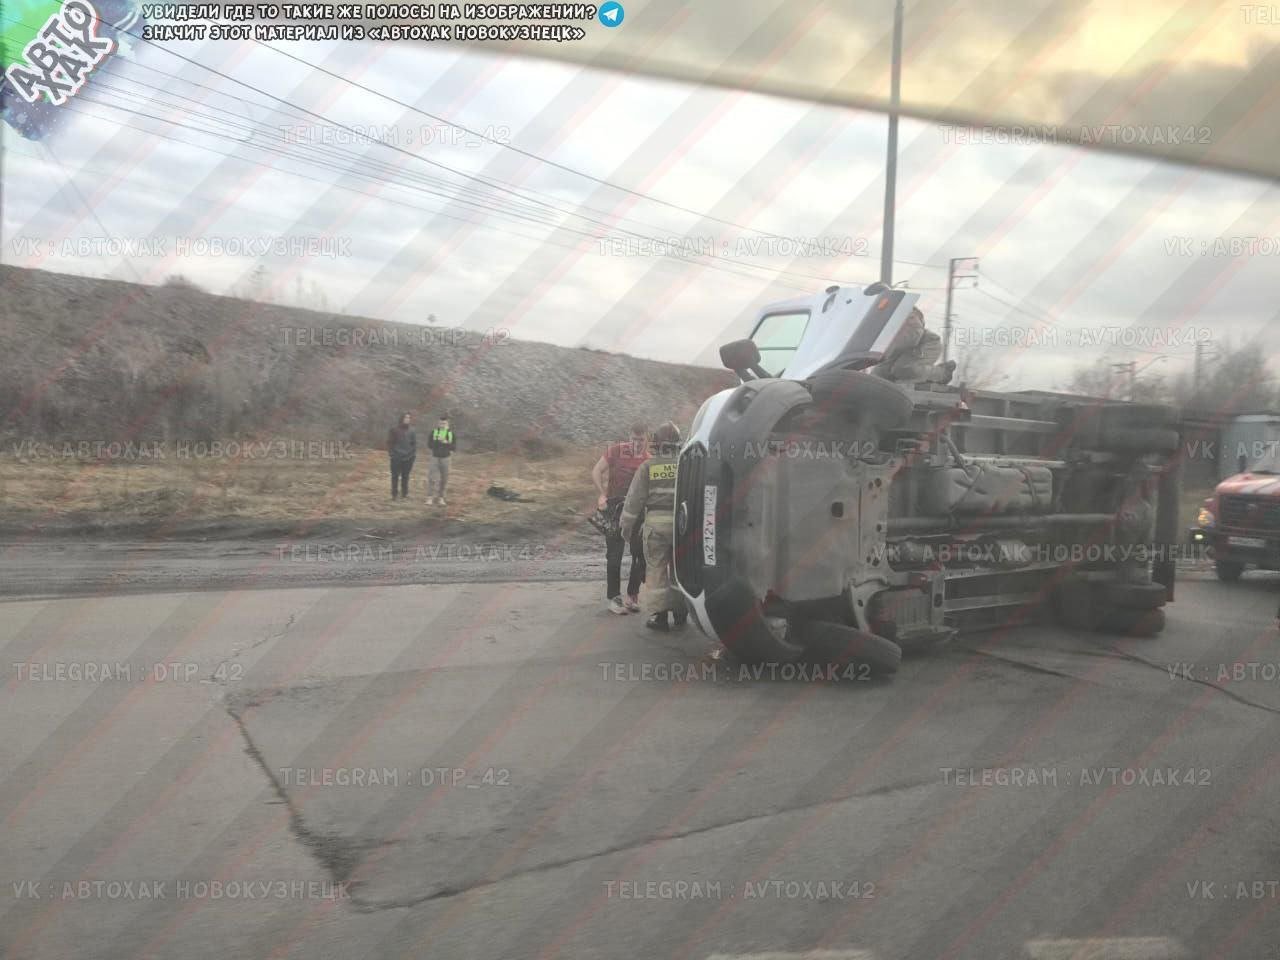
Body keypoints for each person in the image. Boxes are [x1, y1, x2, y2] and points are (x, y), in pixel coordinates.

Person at [621, 421, 688, 632]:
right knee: (680, 571)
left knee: (657, 571)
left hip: (656, 528)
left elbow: (634, 501)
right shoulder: (686, 465)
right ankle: (680, 613)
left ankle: (660, 617)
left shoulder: (648, 467)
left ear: (656, 444)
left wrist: (626, 527)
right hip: (682, 526)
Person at [592, 424, 649, 614]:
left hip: (637, 512)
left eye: (641, 440)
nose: (637, 443)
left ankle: (633, 596)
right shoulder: (616, 451)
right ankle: (614, 599)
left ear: (646, 439)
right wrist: (601, 495)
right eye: (634, 438)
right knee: (614, 556)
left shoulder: (648, 460)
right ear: (629, 437)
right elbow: (596, 471)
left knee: (639, 555)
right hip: (614, 510)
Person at [427, 413, 455, 505]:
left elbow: (453, 447)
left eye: (444, 423)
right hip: (434, 457)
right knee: (432, 477)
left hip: (446, 458)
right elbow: (429, 445)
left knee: (444, 478)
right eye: (441, 423)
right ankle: (430, 497)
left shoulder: (451, 433)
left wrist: (445, 442)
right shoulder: (434, 432)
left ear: (447, 424)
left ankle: (441, 497)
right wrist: (437, 441)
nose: (442, 425)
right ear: (438, 423)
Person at [387, 412, 416, 500]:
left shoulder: (412, 430)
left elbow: (414, 443)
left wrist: (412, 455)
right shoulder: (394, 430)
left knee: (405, 476)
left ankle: (404, 494)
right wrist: (392, 454)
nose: (407, 419)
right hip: (396, 457)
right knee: (395, 476)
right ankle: (394, 494)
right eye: (405, 417)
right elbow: (390, 443)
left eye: (409, 418)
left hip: (408, 457)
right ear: (401, 418)